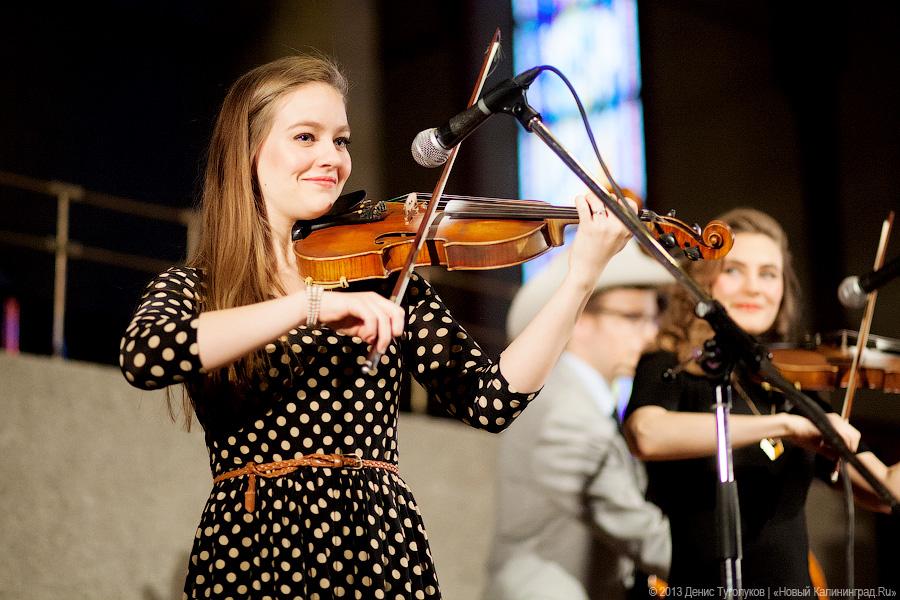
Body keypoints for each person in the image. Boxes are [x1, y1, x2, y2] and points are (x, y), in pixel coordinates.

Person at [119, 53, 635, 599]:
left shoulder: (379, 276)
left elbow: (491, 400)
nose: (332, 159)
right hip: (256, 545)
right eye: (306, 137)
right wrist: (308, 306)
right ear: (248, 154)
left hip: (379, 547)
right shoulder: (198, 287)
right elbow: (147, 355)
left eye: (339, 140)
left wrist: (581, 278)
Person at [622, 207, 899, 596]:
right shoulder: (671, 365)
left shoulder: (791, 383)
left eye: (769, 274)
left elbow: (888, 489)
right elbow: (646, 434)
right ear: (704, 279)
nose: (754, 287)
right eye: (734, 270)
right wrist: (784, 426)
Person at [484, 241, 673, 600]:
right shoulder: (565, 412)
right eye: (633, 318)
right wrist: (734, 568)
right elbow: (634, 527)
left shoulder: (581, 400)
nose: (651, 335)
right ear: (580, 319)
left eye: (653, 317)